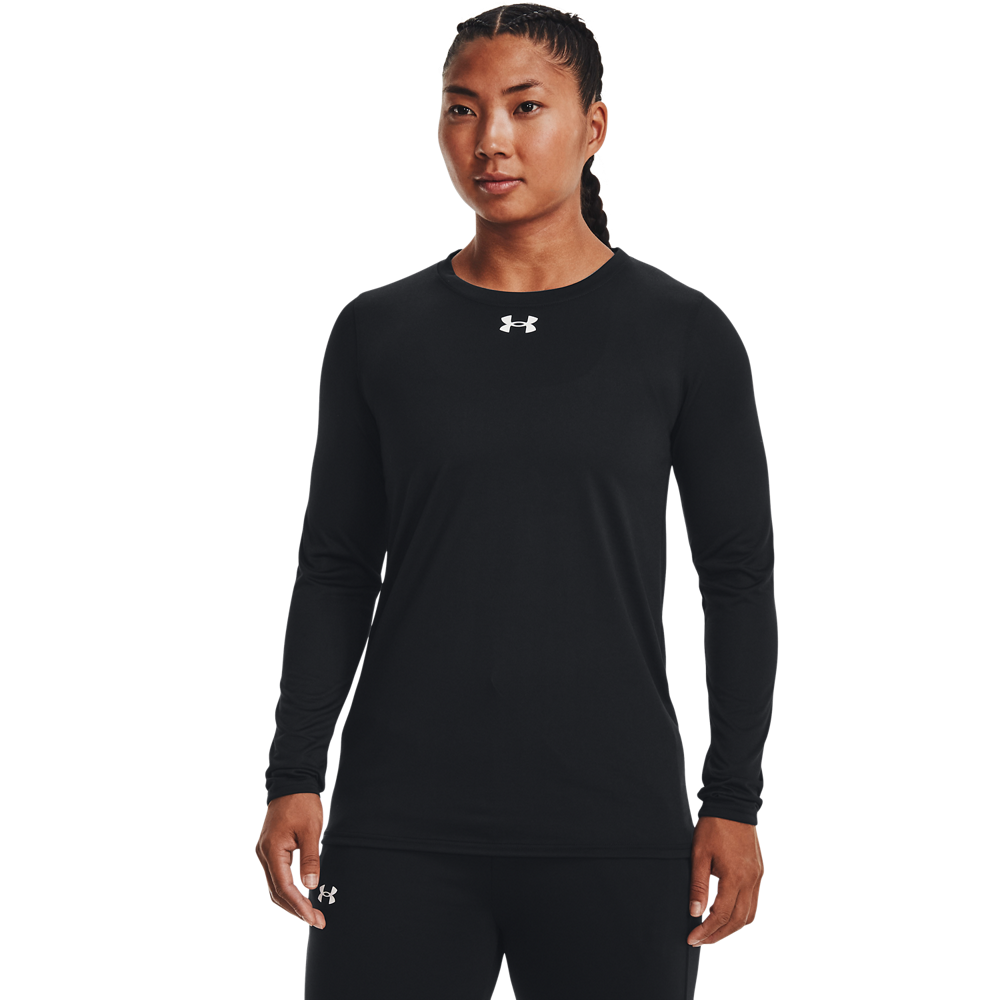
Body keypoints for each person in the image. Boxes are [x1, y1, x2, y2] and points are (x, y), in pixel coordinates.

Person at [255, 4, 778, 998]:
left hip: (615, 828)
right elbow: (335, 568)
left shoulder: (681, 333)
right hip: (399, 824)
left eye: (525, 106)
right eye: (462, 108)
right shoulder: (379, 331)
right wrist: (293, 772)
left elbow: (738, 577)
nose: (489, 138)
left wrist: (734, 797)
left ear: (593, 126)